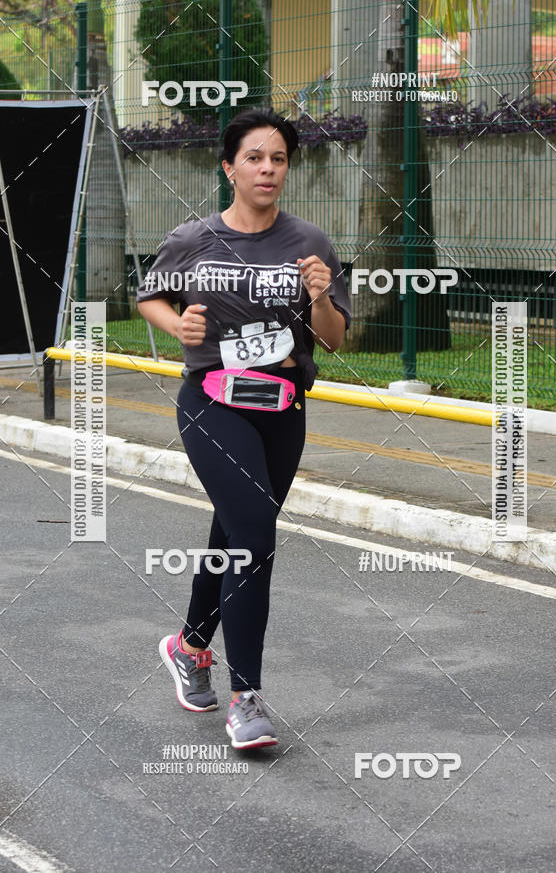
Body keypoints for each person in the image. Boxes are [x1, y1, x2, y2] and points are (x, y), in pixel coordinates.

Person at [136, 107, 352, 750]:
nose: (267, 169)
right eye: (254, 157)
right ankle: (247, 700)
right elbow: (149, 292)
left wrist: (318, 294)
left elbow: (336, 341)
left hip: (283, 408)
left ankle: (190, 645)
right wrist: (179, 328)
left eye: (279, 158)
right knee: (255, 534)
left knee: (234, 532)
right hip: (211, 402)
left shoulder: (310, 242)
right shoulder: (194, 237)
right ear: (228, 166)